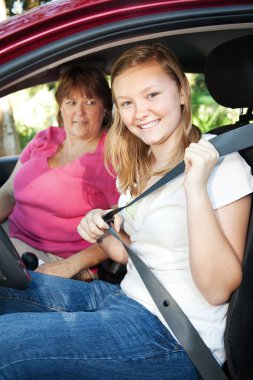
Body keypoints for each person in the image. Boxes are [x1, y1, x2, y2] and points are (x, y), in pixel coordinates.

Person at [0, 43, 252, 379]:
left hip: (171, 336)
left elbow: (217, 289)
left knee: (6, 345)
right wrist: (102, 229)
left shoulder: (223, 165)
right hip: (121, 299)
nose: (140, 112)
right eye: (127, 103)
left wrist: (195, 190)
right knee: (5, 293)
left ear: (180, 91)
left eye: (151, 95)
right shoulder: (140, 165)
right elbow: (126, 253)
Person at [0, 65, 119, 280]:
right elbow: (7, 194)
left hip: (60, 261)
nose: (79, 112)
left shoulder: (113, 156)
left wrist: (70, 266)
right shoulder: (45, 138)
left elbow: (123, 232)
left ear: (105, 108)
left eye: (90, 102)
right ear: (61, 107)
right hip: (10, 237)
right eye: (71, 102)